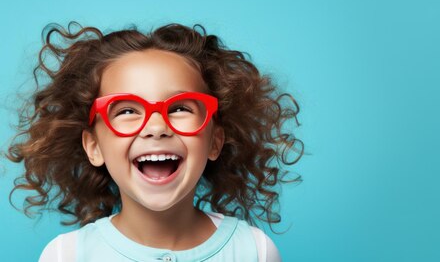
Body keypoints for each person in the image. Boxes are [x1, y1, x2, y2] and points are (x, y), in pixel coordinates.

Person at [5, 22, 303, 261]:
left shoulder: (255, 252)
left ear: (215, 141)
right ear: (93, 146)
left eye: (180, 108)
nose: (156, 127)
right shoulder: (66, 256)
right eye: (127, 110)